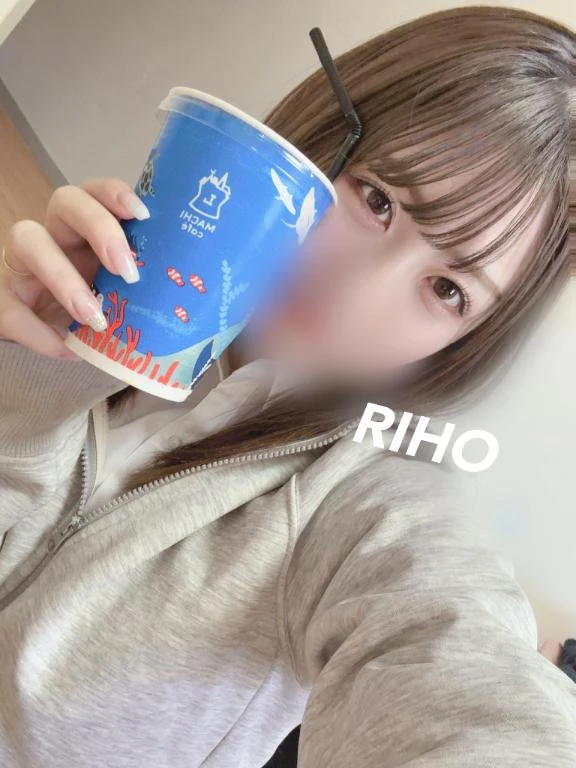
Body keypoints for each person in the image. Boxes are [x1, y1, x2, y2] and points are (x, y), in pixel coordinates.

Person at [0, 6, 574, 767]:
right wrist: (32, 366)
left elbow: (454, 651)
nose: (358, 294)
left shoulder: (372, 505)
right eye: (377, 201)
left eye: (448, 290)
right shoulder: (120, 297)